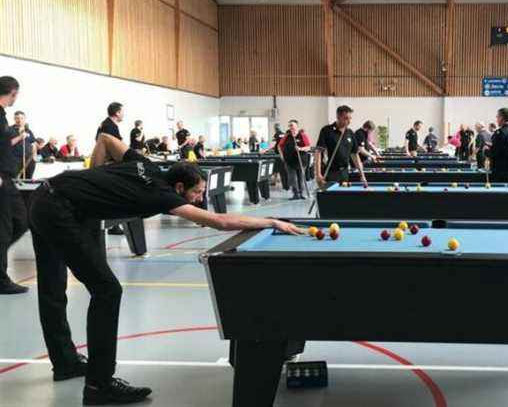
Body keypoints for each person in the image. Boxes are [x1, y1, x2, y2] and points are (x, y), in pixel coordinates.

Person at [28, 132, 301, 404]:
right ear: (179, 187)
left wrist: (93, 180)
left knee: (52, 287)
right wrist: (271, 222)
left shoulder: (146, 164)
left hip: (44, 198)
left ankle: (65, 363)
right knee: (107, 290)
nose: (198, 199)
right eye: (197, 193)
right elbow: (218, 221)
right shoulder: (161, 195)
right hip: (59, 211)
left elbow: (105, 140)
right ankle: (99, 385)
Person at [0, 76, 29, 294]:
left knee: (21, 220)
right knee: (4, 228)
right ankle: (1, 280)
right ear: (12, 92)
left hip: (8, 178)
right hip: (1, 178)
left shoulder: (2, 116)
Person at [315, 105, 367, 188]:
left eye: (350, 118)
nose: (349, 121)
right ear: (338, 117)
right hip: (330, 173)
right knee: (329, 199)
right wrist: (318, 174)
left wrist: (362, 175)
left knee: (344, 199)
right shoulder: (326, 131)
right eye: (346, 118)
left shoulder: (350, 133)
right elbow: (318, 153)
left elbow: (355, 155)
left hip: (345, 173)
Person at [278, 120, 311, 200]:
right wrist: (282, 155)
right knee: (292, 178)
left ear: (297, 126)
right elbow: (279, 146)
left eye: (292, 125)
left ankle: (301, 193)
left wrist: (300, 148)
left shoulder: (303, 135)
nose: (290, 127)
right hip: (289, 161)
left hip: (301, 161)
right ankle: (295, 194)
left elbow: (308, 147)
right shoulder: (286, 136)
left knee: (300, 178)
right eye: (289, 125)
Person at [489, 109, 508, 182]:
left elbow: (495, 152)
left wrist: (486, 150)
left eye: (497, 117)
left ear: (501, 118)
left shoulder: (500, 132)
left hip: (500, 171)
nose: (496, 119)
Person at [11, 110, 37, 178]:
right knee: (15, 180)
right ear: (14, 119)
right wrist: (20, 137)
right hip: (15, 160)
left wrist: (34, 158)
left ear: (24, 119)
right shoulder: (9, 130)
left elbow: (33, 144)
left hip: (29, 160)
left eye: (21, 118)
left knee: (28, 180)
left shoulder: (28, 130)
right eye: (17, 118)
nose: (19, 120)